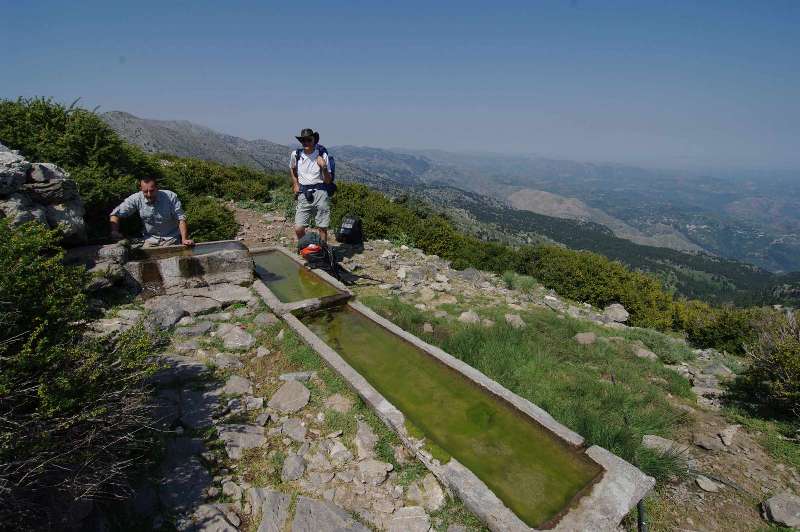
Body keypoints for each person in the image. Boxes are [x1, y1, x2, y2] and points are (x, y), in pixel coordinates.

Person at [109, 176, 194, 247]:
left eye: (152, 190)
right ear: (141, 189)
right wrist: (114, 231)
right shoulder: (136, 198)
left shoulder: (170, 197)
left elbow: (181, 218)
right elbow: (115, 214)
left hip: (171, 238)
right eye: (145, 191)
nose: (149, 194)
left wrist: (184, 239)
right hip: (149, 239)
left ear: (157, 188)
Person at [290, 128, 333, 242]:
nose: (306, 143)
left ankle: (323, 251)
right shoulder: (296, 154)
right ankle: (305, 247)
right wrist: (295, 184)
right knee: (299, 228)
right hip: (303, 193)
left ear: (314, 140)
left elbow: (328, 181)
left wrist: (323, 167)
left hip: (320, 193)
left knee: (322, 227)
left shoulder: (322, 155)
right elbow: (293, 169)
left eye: (309, 140)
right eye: (303, 140)